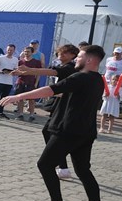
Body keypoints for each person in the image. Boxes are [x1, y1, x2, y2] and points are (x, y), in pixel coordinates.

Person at [0, 45, 108, 201]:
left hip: (68, 130)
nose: (76, 60)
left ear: (89, 60)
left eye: (79, 56)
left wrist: (17, 97)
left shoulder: (80, 76)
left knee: (45, 164)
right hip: (85, 132)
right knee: (83, 171)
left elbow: (50, 89)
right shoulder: (97, 79)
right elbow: (62, 91)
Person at [15, 43, 80, 178]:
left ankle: (61, 166)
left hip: (66, 105)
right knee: (48, 131)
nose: (60, 56)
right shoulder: (65, 66)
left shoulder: (70, 67)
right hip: (59, 103)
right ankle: (61, 165)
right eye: (59, 53)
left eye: (64, 53)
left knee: (55, 134)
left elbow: (51, 72)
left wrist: (29, 70)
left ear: (73, 55)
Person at [100, 47, 122, 134]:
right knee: (104, 113)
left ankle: (110, 129)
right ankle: (102, 128)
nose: (116, 54)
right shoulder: (109, 59)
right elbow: (106, 70)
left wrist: (120, 81)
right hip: (107, 83)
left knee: (112, 114)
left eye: (118, 53)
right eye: (115, 53)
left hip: (117, 86)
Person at [0, 44, 18, 119]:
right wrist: (1, 72)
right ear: (6, 50)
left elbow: (16, 70)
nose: (9, 51)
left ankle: (0, 112)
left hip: (9, 82)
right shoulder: (0, 58)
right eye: (8, 50)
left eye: (11, 50)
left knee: (4, 98)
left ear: (14, 51)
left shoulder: (15, 59)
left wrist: (13, 72)